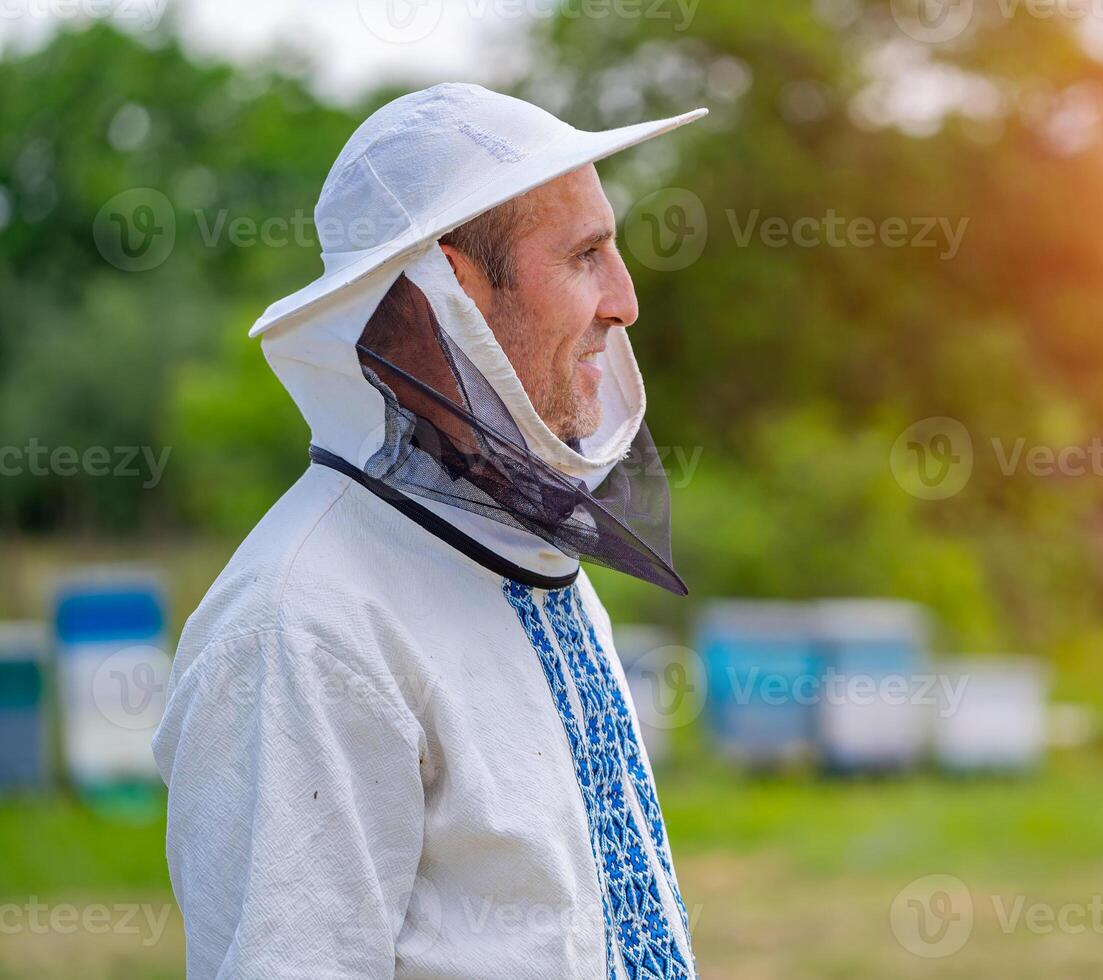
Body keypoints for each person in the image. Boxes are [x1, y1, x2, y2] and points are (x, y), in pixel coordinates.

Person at [152, 83, 706, 979]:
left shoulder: (528, 555)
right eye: (585, 255)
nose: (625, 299)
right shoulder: (302, 627)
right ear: (452, 287)